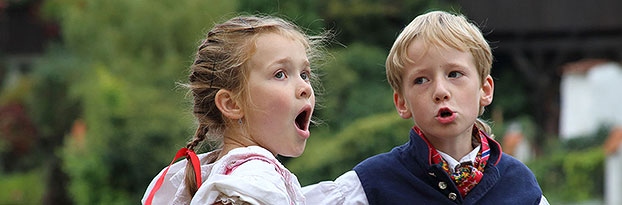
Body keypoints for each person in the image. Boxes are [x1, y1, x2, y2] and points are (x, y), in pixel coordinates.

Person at [302, 11, 549, 204]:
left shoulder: (520, 184)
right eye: (421, 80)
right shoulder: (371, 184)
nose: (441, 91)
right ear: (402, 103)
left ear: (485, 90)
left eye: (454, 74)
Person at [142, 15, 323, 205]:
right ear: (231, 104)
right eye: (280, 74)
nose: (305, 88)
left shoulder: (219, 175)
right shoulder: (253, 182)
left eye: (304, 74)